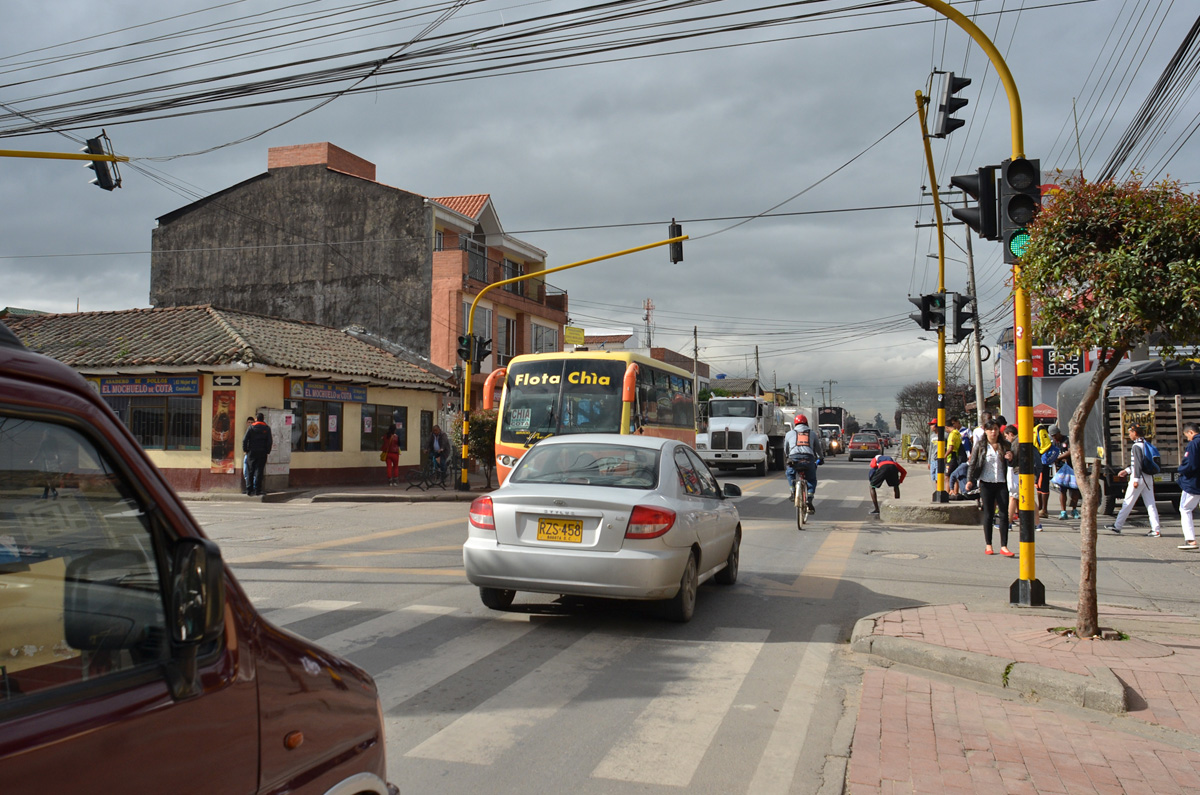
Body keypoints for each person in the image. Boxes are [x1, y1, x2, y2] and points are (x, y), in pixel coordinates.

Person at [966, 419, 1014, 557]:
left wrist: (1011, 457)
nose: (993, 432)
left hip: (1001, 482)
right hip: (986, 482)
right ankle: (989, 544)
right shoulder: (981, 446)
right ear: (985, 431)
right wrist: (970, 480)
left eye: (996, 429)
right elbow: (973, 463)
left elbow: (1013, 461)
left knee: (1004, 514)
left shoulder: (1005, 445)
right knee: (989, 513)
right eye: (990, 429)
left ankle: (1004, 546)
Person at [1105, 424, 1163, 536]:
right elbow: (1139, 463)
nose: (1129, 435)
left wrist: (1135, 479)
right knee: (1151, 504)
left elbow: (1137, 465)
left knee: (1127, 502)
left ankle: (1117, 526)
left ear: (1135, 433)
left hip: (1138, 478)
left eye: (1130, 432)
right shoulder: (1145, 444)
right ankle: (1156, 529)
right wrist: (1126, 471)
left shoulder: (1136, 446)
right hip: (1148, 478)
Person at [785, 414, 823, 513]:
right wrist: (821, 458)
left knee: (790, 473)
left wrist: (788, 456)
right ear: (806, 423)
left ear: (795, 424)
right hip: (808, 458)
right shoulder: (813, 433)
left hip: (794, 458)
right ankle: (809, 498)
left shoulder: (789, 433)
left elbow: (786, 448)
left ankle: (793, 491)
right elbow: (818, 449)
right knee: (811, 479)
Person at [1044, 425, 1080, 519]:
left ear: (1059, 433)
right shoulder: (1054, 443)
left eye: (1055, 435)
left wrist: (1058, 458)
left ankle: (1074, 510)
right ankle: (1063, 511)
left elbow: (1070, 451)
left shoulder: (1067, 440)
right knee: (1062, 491)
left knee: (1074, 490)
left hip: (1072, 469)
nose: (1055, 437)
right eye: (1053, 436)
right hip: (1061, 470)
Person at [1177, 422, 1200, 551]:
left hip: (1193, 482)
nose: (1187, 438)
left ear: (1191, 432)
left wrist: (1180, 470)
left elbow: (1190, 464)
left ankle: (1190, 540)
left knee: (1185, 509)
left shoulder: (1193, 444)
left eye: (1187, 435)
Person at [242, 412, 273, 496]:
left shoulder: (251, 428)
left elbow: (245, 440)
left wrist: (246, 450)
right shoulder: (267, 428)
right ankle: (258, 490)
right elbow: (269, 441)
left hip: (251, 452)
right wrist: (267, 451)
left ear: (256, 419)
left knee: (250, 471)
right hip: (262, 452)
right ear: (263, 419)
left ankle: (249, 489)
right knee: (259, 471)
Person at [241, 416, 255, 494]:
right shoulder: (247, 431)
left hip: (252, 454)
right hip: (247, 454)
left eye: (251, 422)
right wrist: (245, 450)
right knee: (246, 471)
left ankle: (253, 487)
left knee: (253, 471)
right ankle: (248, 487)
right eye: (249, 422)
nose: (250, 424)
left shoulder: (255, 432)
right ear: (246, 423)